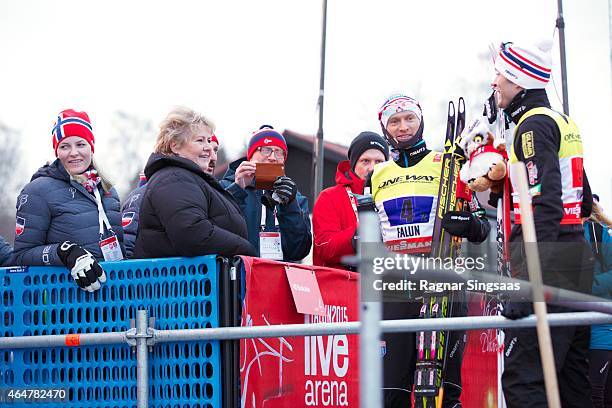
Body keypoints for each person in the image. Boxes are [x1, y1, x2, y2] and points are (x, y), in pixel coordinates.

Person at [490, 40, 594, 408]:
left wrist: (528, 282)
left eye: (500, 74)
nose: (494, 83)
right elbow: (582, 196)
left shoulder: (531, 127)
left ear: (518, 80)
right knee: (569, 380)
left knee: (523, 378)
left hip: (549, 261)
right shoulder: (563, 121)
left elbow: (546, 204)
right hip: (574, 256)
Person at [370, 93, 491, 407]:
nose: (403, 127)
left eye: (409, 118)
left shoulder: (446, 164)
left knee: (440, 392)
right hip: (397, 289)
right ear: (384, 128)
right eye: (394, 121)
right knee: (390, 392)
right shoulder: (378, 175)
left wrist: (465, 222)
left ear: (420, 120)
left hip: (444, 284)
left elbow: (481, 226)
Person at [12, 109, 122, 292]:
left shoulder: (108, 191)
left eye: (80, 144)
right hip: (63, 306)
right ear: (57, 151)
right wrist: (65, 252)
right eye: (64, 146)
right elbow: (21, 256)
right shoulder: (37, 191)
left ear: (91, 147)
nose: (73, 153)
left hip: (111, 302)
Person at [133, 107, 256, 259]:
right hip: (181, 280)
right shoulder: (173, 179)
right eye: (200, 140)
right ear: (175, 146)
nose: (209, 148)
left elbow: (216, 215)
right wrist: (246, 249)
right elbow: (192, 233)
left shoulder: (190, 178)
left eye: (209, 140)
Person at [221, 126, 311, 262]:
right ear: (250, 157)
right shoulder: (226, 188)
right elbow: (221, 235)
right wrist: (239, 188)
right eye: (265, 150)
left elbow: (299, 251)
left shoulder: (295, 198)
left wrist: (289, 204)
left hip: (279, 278)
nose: (272, 157)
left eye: (279, 152)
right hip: (239, 277)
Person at [122, 133, 221, 258]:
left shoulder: (213, 194)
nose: (211, 156)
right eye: (201, 143)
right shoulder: (146, 193)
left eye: (215, 150)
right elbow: (127, 249)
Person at [312, 131, 389, 269]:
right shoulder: (329, 197)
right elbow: (324, 249)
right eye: (365, 161)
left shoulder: (393, 195)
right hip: (343, 285)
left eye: (379, 162)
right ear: (354, 164)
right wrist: (357, 235)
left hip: (387, 283)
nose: (372, 168)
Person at [584, 197, 612, 408]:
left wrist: (587, 287)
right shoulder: (553, 229)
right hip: (570, 328)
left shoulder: (597, 232)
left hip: (600, 328)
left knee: (595, 393)